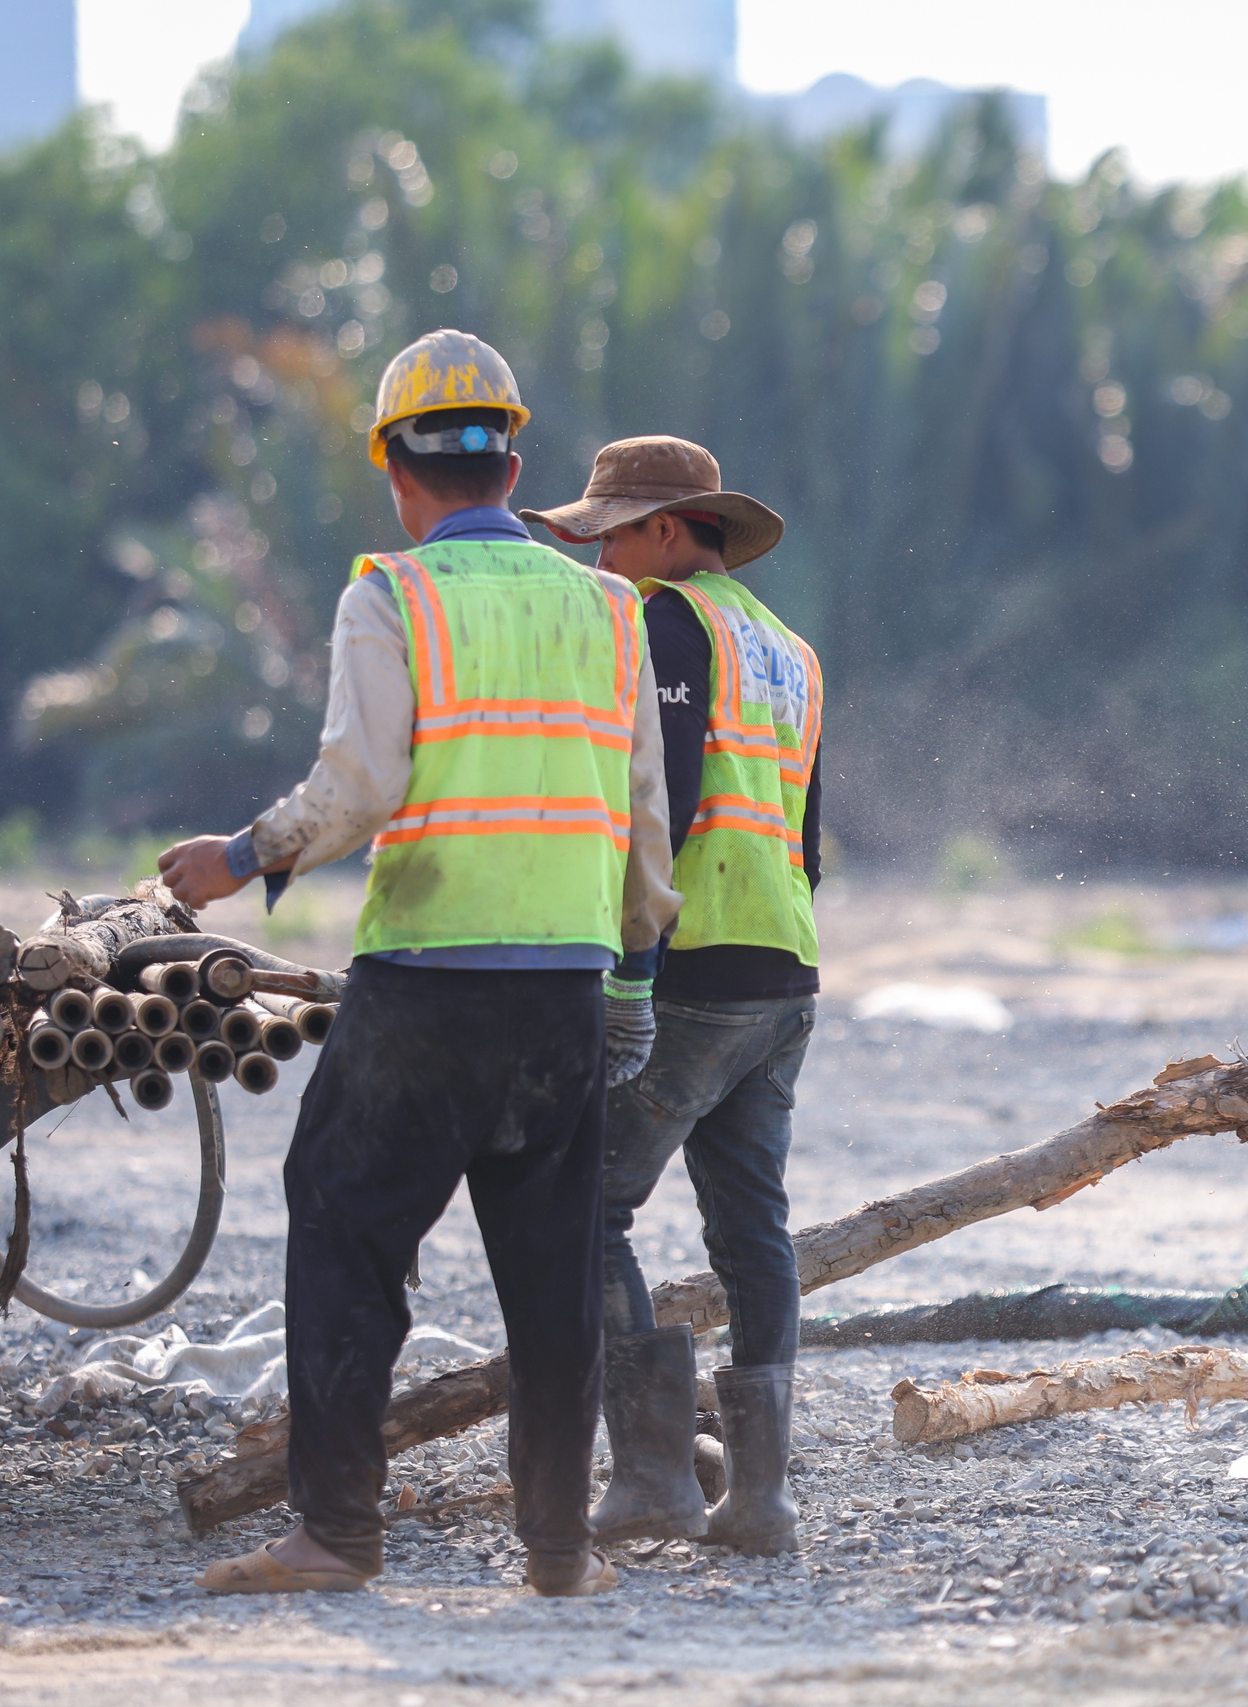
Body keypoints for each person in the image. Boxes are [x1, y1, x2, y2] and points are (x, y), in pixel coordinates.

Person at [156, 330, 680, 1596]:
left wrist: (239, 857)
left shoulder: (390, 595)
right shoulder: (612, 608)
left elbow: (360, 786)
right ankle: (557, 1551)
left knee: (344, 1227)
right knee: (551, 1271)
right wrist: (628, 978)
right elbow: (646, 824)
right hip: (562, 986)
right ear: (515, 466)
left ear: (395, 469)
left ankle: (337, 1535)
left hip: (428, 982)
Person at [519, 437, 820, 1555]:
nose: (598, 555)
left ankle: (650, 1475)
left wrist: (626, 964)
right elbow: (808, 835)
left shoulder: (668, 624)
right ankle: (761, 1499)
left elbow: (666, 796)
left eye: (609, 533)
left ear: (662, 529)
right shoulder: (788, 648)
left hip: (694, 963)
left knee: (582, 1209)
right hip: (784, 965)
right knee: (752, 1229)